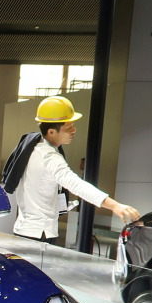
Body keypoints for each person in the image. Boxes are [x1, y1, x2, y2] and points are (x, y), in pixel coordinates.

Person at [12, 95, 141, 242]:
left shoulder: (32, 148)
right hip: (39, 234)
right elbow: (76, 184)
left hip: (26, 228)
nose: (74, 130)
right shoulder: (50, 158)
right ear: (51, 132)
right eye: (68, 127)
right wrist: (115, 206)